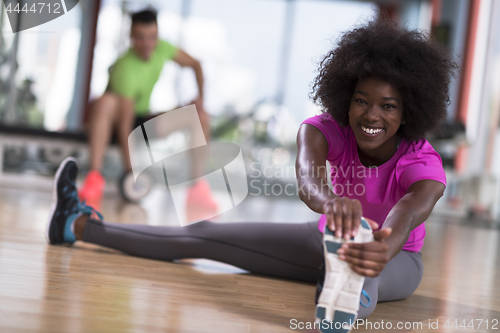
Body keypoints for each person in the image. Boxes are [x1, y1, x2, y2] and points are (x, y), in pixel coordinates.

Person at [47, 19, 456, 332]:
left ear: (408, 112)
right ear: (345, 100)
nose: (372, 114)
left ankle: (341, 299)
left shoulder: (422, 161)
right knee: (203, 234)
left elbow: (409, 208)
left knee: (363, 272)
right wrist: (330, 201)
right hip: (322, 237)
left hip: (395, 258)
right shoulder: (322, 129)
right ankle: (76, 224)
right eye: (362, 101)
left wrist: (383, 244)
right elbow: (308, 179)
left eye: (388, 106)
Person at [80, 9, 214, 211]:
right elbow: (126, 125)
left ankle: (197, 189)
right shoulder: (125, 67)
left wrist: (201, 97)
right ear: (132, 37)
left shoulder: (163, 49)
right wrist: (131, 174)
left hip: (142, 118)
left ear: (157, 35)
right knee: (106, 102)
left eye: (152, 37)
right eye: (141, 38)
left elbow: (196, 64)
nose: (147, 44)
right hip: (116, 124)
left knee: (199, 116)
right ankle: (94, 178)